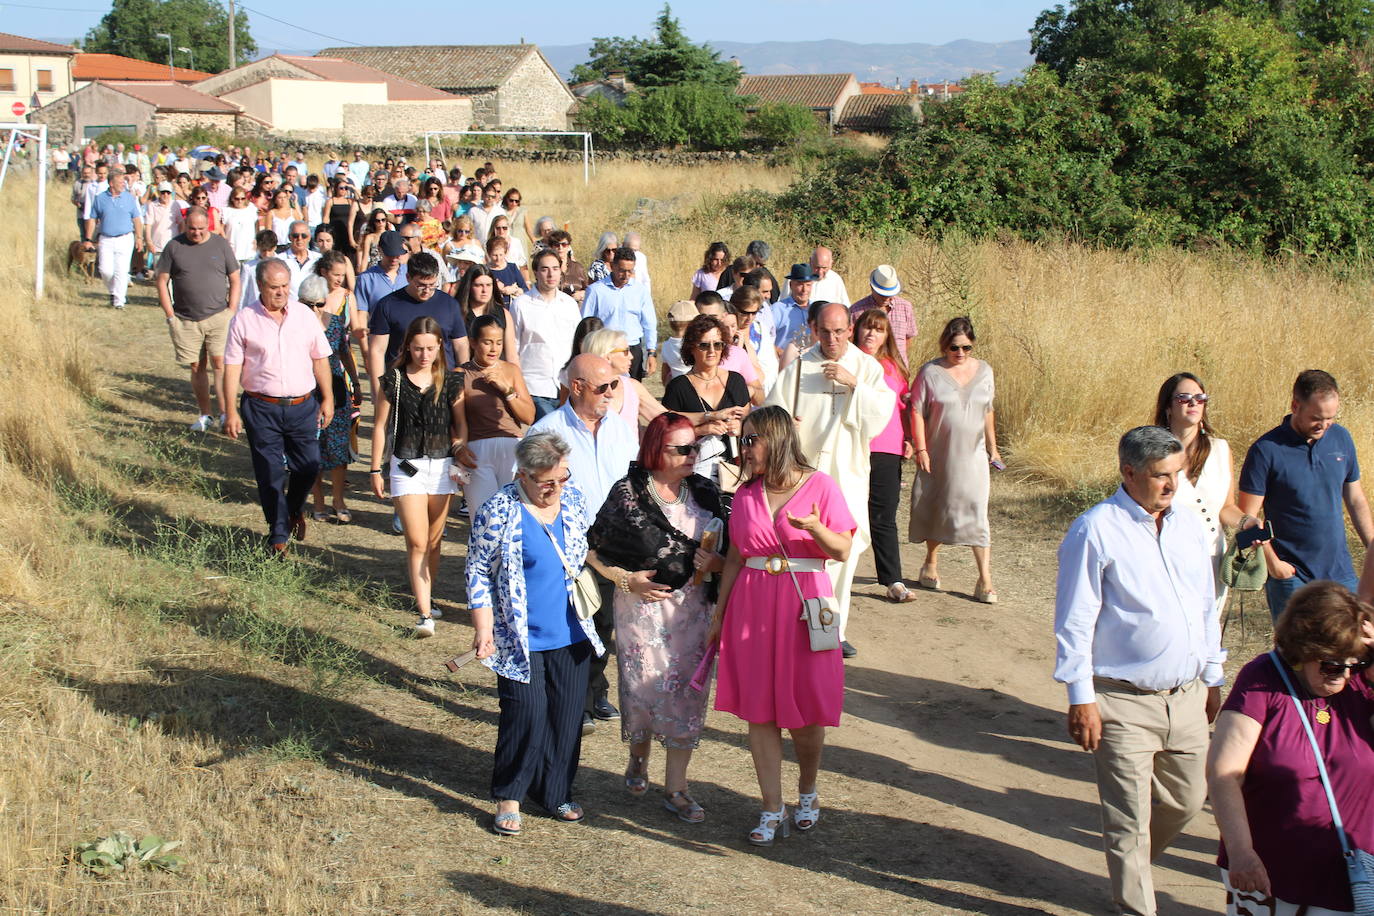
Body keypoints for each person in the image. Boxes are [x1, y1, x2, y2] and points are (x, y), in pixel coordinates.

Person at [1054, 425, 1226, 916]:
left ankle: (1131, 867)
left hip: (1188, 695)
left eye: (1178, 473)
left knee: (1187, 801)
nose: (1172, 485)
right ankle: (1134, 900)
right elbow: (1075, 619)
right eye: (1160, 476)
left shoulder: (1188, 524)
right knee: (1128, 820)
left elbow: (1204, 606)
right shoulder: (1095, 529)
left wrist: (1213, 676)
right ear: (1128, 472)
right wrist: (1080, 697)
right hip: (1121, 701)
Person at [708, 405, 856, 845]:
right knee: (759, 711)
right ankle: (771, 806)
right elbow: (735, 555)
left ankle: (807, 793)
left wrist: (814, 528)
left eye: (751, 439)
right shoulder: (747, 493)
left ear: (776, 440)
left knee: (807, 710)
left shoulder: (820, 486)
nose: (744, 448)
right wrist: (719, 614)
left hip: (804, 603)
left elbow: (843, 549)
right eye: (742, 440)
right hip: (752, 604)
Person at [586, 413, 727, 823]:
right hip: (641, 611)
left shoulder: (704, 491)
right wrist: (627, 580)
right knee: (644, 691)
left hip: (695, 610)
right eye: (681, 448)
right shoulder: (628, 493)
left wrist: (719, 564)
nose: (691, 455)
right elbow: (592, 548)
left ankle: (677, 789)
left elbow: (732, 548)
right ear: (655, 449)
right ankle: (638, 757)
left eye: (694, 448)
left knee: (686, 694)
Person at [1206, 581, 1374, 916]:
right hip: (1271, 874)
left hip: (1353, 876)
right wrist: (1241, 852)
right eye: (1330, 665)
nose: (1342, 675)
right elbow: (1224, 773)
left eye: (1351, 662)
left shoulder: (1361, 685)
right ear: (1302, 650)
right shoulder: (1262, 679)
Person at [468, 432, 604, 835]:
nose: (556, 488)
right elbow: (477, 568)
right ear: (522, 474)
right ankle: (510, 794)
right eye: (547, 481)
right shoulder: (499, 509)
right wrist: (484, 627)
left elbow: (585, 549)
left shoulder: (574, 499)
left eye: (562, 477)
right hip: (518, 638)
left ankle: (555, 791)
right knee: (525, 714)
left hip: (573, 631)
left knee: (566, 718)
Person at [765, 303, 894, 657]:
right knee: (803, 547)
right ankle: (801, 624)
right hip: (805, 476)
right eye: (825, 332)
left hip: (847, 474)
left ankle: (835, 629)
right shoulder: (800, 367)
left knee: (841, 552)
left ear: (850, 330)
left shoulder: (866, 368)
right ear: (814, 330)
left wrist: (855, 387)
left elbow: (881, 415)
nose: (833, 339)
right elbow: (772, 413)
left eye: (839, 332)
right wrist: (786, 425)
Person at [529, 354, 639, 732]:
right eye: (603, 387)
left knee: (603, 622)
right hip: (564, 547)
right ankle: (574, 702)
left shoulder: (621, 430)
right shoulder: (547, 431)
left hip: (612, 546)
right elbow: (530, 493)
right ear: (576, 387)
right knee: (573, 623)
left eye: (615, 385)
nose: (611, 393)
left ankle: (593, 693)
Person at [222, 260, 334, 556]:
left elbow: (320, 358)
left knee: (309, 466)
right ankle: (278, 534)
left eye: (285, 286)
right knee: (270, 472)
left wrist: (328, 398)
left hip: (302, 405)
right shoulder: (244, 319)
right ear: (260, 286)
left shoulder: (304, 316)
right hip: (261, 406)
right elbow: (232, 367)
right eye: (275, 287)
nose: (282, 292)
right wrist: (230, 410)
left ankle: (295, 509)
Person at [1240, 371, 1373, 619]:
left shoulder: (1341, 438)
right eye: (1316, 418)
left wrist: (1372, 546)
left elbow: (1355, 499)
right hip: (1292, 577)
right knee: (1298, 657)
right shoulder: (1265, 450)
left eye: (1330, 418)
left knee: (1348, 651)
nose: (1323, 425)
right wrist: (1274, 565)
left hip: (1341, 574)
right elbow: (1246, 517)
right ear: (1295, 406)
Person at [370, 316, 469, 637]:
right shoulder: (394, 381)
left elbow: (461, 425)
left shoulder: (451, 381)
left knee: (434, 542)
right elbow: (381, 428)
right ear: (408, 347)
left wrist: (460, 447)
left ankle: (427, 594)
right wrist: (375, 468)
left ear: (440, 346)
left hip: (442, 468)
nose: (423, 354)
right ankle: (426, 614)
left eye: (429, 348)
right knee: (416, 541)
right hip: (405, 466)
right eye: (417, 348)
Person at [908, 316, 1002, 603]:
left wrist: (993, 447)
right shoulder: (930, 372)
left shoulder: (985, 371)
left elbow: (988, 410)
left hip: (973, 455)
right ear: (944, 345)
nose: (960, 353)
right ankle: (931, 563)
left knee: (977, 510)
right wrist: (921, 449)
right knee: (939, 505)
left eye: (966, 347)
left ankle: (984, 579)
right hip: (940, 452)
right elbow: (916, 410)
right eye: (954, 347)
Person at [1154, 373, 1259, 614]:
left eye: (1200, 398)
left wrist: (1247, 522)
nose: (1193, 403)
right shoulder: (1154, 453)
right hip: (1168, 560)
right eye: (1184, 398)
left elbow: (1225, 508)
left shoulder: (1220, 449)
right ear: (1168, 407)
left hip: (1213, 559)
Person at [155, 206, 241, 432]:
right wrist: (170, 315)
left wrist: (232, 309)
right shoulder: (174, 246)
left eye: (201, 229)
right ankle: (206, 414)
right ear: (184, 225)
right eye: (192, 229)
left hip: (219, 316)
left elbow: (234, 277)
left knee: (220, 364)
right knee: (196, 366)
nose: (197, 233)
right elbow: (162, 280)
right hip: (185, 319)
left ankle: (225, 412)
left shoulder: (220, 244)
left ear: (208, 225)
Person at [854, 308, 916, 603]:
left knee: (884, 515)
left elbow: (904, 409)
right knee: (847, 512)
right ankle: (829, 572)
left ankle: (893, 580)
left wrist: (910, 438)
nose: (871, 334)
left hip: (888, 447)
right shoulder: (849, 362)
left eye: (878, 329)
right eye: (867, 327)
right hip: (854, 446)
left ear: (887, 335)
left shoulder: (894, 367)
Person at [304, 256, 361, 524]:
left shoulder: (335, 322)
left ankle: (339, 499)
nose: (314, 309)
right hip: (305, 389)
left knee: (338, 448)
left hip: (337, 387)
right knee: (312, 448)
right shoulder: (296, 323)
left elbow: (345, 353)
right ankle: (318, 502)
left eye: (318, 303)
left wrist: (356, 382)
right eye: (308, 304)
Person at [663, 315, 750, 486]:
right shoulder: (678, 386)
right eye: (704, 345)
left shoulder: (736, 381)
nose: (712, 350)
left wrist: (740, 428)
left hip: (734, 471)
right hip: (691, 474)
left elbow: (749, 422)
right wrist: (702, 429)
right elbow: (666, 432)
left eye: (717, 344)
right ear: (691, 348)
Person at [366, 252, 467, 396]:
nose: (427, 291)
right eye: (421, 285)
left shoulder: (449, 304)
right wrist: (378, 393)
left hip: (442, 384)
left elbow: (461, 345)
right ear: (408, 278)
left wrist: (464, 383)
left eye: (432, 285)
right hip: (402, 386)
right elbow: (377, 351)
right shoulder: (387, 305)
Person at [463, 314, 534, 514]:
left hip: (513, 447)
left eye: (499, 343)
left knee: (514, 516)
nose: (494, 349)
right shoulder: (459, 374)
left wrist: (507, 390)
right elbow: (454, 420)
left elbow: (528, 416)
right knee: (483, 516)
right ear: (473, 342)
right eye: (487, 342)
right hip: (477, 452)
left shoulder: (511, 370)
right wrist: (457, 448)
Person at [510, 250, 581, 421]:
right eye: (545, 269)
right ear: (536, 272)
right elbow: (514, 347)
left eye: (555, 268)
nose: (551, 274)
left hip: (567, 385)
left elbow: (578, 344)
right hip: (536, 387)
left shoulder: (569, 305)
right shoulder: (521, 305)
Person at [583, 247, 657, 380]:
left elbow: (649, 323)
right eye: (622, 270)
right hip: (606, 349)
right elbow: (586, 323)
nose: (626, 275)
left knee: (633, 392)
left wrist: (651, 352)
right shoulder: (596, 291)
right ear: (612, 266)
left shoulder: (640, 291)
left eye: (630, 271)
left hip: (632, 348)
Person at [576, 328, 666, 434]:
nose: (631, 356)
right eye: (626, 351)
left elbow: (665, 418)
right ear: (607, 356)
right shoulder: (582, 392)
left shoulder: (632, 387)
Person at [83, 167, 144, 310]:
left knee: (121, 271)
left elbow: (136, 219)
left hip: (125, 238)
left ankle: (119, 301)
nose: (123, 184)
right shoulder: (100, 199)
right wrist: (88, 238)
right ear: (111, 183)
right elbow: (92, 219)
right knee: (105, 270)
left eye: (124, 182)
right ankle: (113, 291)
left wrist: (139, 238)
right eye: (120, 182)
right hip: (106, 238)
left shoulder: (129, 198)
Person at [849, 265, 917, 363]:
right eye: (882, 294)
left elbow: (908, 339)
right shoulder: (856, 311)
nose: (886, 298)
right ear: (872, 287)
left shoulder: (906, 307)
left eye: (890, 294)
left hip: (897, 371)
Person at [772, 262, 817, 360]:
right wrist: (780, 352)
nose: (804, 290)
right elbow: (764, 339)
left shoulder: (817, 310)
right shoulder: (777, 310)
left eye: (808, 285)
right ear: (791, 285)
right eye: (800, 285)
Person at [280, 220, 321, 299]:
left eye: (304, 236)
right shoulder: (280, 260)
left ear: (309, 237)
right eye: (295, 235)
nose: (299, 238)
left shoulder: (318, 259)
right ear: (289, 237)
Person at [659, 300, 697, 384]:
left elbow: (664, 373)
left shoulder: (666, 345)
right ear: (692, 323)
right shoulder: (695, 343)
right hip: (695, 383)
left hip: (676, 384)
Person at [325, 176, 359, 267]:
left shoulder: (350, 201)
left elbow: (360, 199)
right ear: (336, 188)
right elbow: (326, 218)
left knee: (349, 256)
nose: (344, 190)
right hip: (335, 232)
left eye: (346, 188)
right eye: (341, 188)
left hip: (347, 231)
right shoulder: (331, 201)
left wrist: (353, 188)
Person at [222, 183, 260, 262]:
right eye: (237, 199)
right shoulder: (226, 211)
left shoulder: (251, 208)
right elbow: (222, 229)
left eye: (242, 198)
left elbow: (256, 225)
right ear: (232, 198)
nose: (240, 201)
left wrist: (257, 240)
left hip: (249, 251)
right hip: (233, 251)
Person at [355, 207, 393, 272]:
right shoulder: (370, 237)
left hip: (388, 268)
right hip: (374, 269)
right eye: (377, 221)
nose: (381, 223)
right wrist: (362, 273)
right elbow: (365, 257)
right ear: (374, 222)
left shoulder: (391, 235)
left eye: (383, 220)